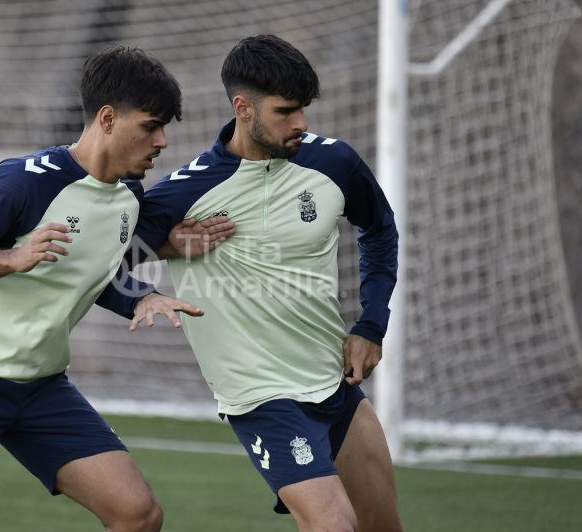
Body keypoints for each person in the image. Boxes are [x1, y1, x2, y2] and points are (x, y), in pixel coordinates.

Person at [0, 45, 232, 532]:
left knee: (138, 515)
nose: (163, 140)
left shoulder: (129, 196)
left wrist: (147, 285)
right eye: (150, 125)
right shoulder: (25, 181)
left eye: (166, 127)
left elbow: (97, 268)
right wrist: (12, 258)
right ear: (107, 118)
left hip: (41, 385)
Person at [133, 35, 404, 531]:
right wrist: (167, 251)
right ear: (243, 108)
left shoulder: (334, 163)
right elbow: (111, 260)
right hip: (260, 396)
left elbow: (380, 229)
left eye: (303, 109)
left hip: (334, 383)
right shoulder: (182, 192)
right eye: (285, 111)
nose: (300, 123)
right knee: (333, 525)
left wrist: (371, 324)